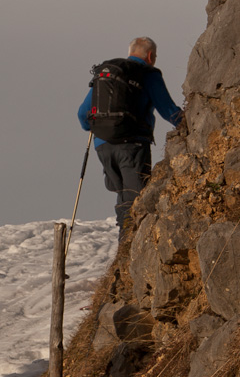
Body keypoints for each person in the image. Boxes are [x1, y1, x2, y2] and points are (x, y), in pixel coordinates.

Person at [77, 37, 183, 237]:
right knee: (136, 199)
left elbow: (83, 114)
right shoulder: (148, 75)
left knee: (124, 198)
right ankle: (129, 250)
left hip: (103, 145)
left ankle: (123, 253)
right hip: (133, 145)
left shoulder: (107, 73)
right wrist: (189, 124)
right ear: (150, 56)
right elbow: (168, 109)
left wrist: (97, 129)